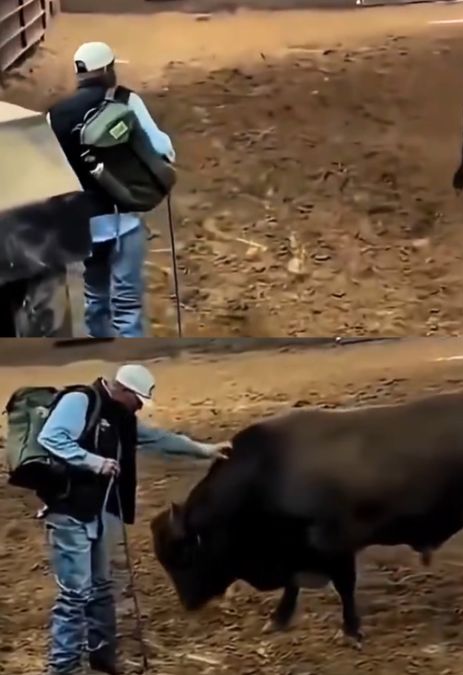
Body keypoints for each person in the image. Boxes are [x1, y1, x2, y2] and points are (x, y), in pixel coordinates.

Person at [38, 364, 229, 675]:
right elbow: (52, 438)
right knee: (74, 593)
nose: (140, 406)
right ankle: (63, 668)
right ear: (122, 390)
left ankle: (102, 660)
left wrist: (204, 450)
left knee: (100, 586)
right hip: (70, 510)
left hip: (102, 510)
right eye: (137, 399)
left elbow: (158, 439)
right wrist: (95, 462)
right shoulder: (80, 401)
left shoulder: (121, 416)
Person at [47, 42, 176, 338]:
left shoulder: (54, 115)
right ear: (107, 69)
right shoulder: (124, 100)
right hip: (122, 220)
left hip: (81, 226)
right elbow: (164, 150)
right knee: (127, 304)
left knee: (95, 297)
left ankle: (100, 346)